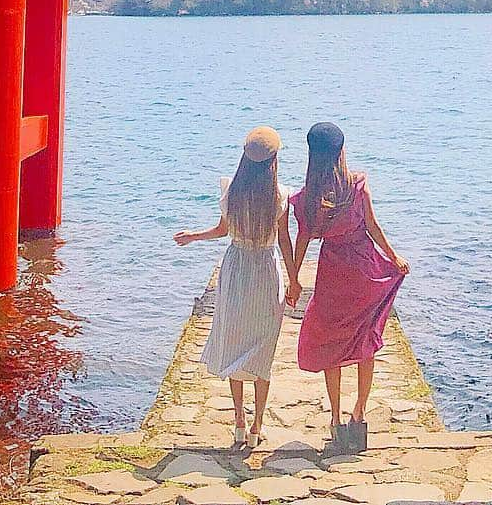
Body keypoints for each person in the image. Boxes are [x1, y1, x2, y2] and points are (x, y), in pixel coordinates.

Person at [174, 126, 298, 449]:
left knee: (235, 343)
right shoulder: (280, 196)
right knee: (262, 352)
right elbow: (284, 241)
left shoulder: (232, 192)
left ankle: (239, 422)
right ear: (274, 161)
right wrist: (295, 278)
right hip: (266, 273)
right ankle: (257, 424)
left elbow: (222, 230)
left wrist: (193, 236)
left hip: (236, 272)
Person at [289, 122, 408, 451]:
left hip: (332, 275)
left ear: (312, 156)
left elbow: (302, 240)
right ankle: (360, 412)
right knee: (364, 340)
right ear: (341, 152)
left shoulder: (307, 200)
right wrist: (394, 257)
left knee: (331, 342)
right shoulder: (356, 187)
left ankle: (337, 417)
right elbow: (372, 226)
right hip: (364, 270)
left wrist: (294, 279)